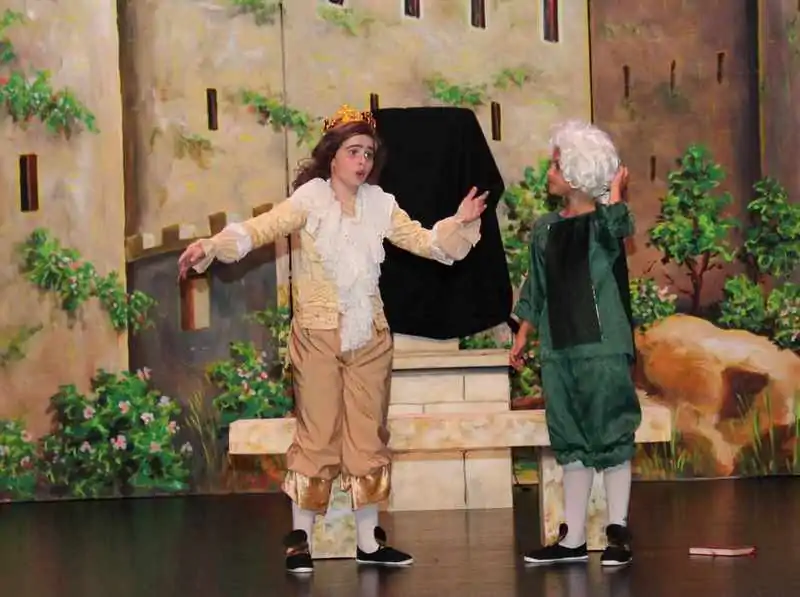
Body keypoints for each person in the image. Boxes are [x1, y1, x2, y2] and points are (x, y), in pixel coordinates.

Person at [178, 105, 488, 574]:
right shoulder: (311, 200)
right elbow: (262, 228)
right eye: (353, 151)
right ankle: (300, 539)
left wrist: (459, 221)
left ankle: (368, 542)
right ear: (332, 156)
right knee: (317, 436)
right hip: (318, 335)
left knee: (368, 437)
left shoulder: (381, 205)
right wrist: (211, 246)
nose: (362, 161)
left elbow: (427, 244)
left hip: (370, 337)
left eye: (368, 153)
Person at [509, 120, 640, 568]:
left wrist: (615, 191)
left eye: (557, 165)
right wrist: (524, 332)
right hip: (559, 352)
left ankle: (618, 532)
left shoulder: (604, 225)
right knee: (570, 442)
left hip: (602, 351)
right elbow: (536, 287)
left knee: (612, 435)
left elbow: (620, 224)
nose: (549, 172)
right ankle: (574, 539)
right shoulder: (545, 229)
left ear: (579, 173)